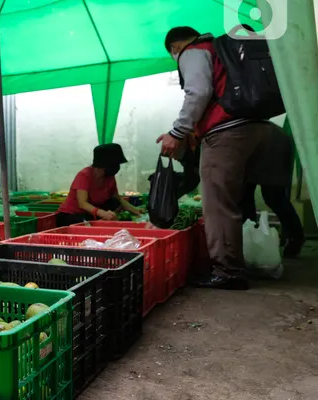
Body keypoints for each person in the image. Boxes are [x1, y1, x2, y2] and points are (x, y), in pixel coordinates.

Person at [160, 27, 292, 290]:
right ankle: (243, 260)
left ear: (175, 47)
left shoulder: (193, 51)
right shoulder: (222, 52)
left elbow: (197, 92)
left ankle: (228, 272)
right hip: (260, 129)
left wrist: (177, 132)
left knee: (218, 204)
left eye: (173, 53)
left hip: (226, 134)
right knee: (240, 198)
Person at [56, 144, 142, 227]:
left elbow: (118, 198)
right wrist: (103, 214)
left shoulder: (109, 177)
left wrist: (135, 210)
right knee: (88, 220)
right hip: (71, 215)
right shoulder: (85, 175)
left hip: (92, 213)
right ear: (103, 165)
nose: (117, 167)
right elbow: (82, 203)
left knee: (115, 202)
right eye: (115, 164)